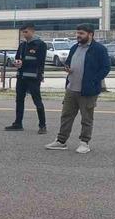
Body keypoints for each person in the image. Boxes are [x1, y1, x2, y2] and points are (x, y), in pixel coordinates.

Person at [45, 24, 111, 154]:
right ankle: (61, 141)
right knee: (66, 116)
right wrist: (67, 68)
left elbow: (106, 68)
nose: (78, 36)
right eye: (77, 33)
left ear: (90, 34)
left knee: (86, 118)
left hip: (88, 91)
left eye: (81, 33)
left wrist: (93, 81)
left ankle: (84, 143)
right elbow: (68, 63)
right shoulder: (75, 47)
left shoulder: (99, 49)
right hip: (71, 89)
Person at [6, 23, 47, 134]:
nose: (24, 34)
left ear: (32, 31)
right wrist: (17, 62)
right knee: (19, 100)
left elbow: (40, 61)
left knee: (37, 101)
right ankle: (18, 123)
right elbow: (18, 57)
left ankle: (42, 125)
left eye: (26, 32)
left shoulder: (40, 44)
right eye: (22, 32)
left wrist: (24, 62)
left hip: (33, 77)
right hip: (21, 76)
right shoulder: (23, 45)